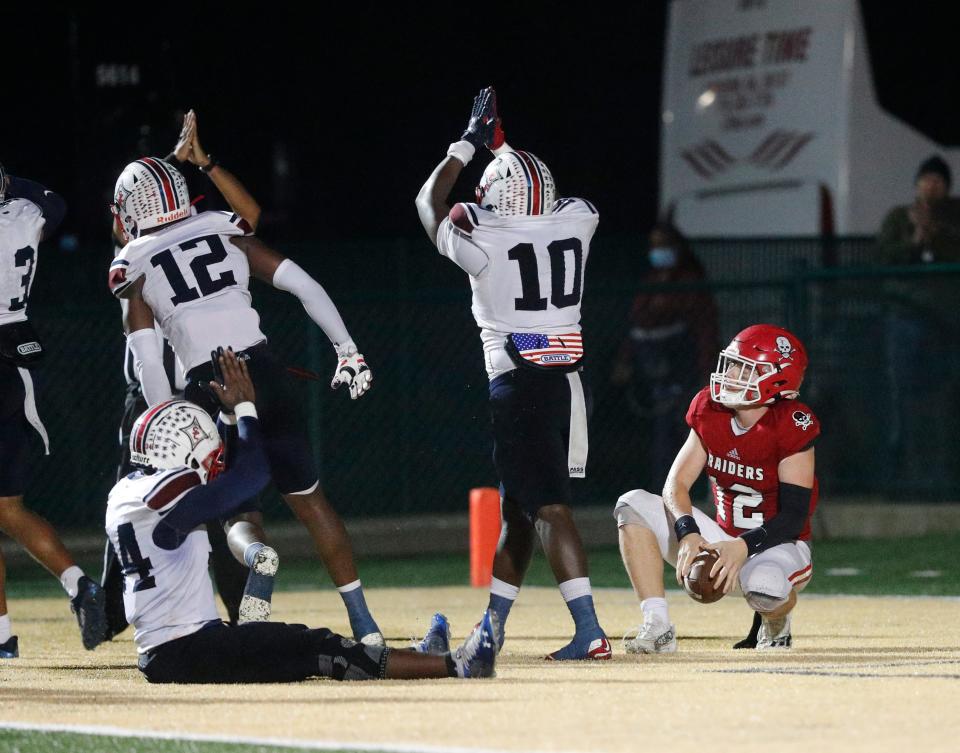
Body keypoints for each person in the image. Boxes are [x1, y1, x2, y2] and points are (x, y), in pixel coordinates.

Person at [106, 154, 383, 644]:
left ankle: (258, 556)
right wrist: (348, 350)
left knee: (236, 511)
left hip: (210, 385)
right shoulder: (220, 226)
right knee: (313, 502)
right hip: (265, 371)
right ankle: (365, 625)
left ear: (131, 210)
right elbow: (303, 284)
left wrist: (166, 418)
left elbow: (149, 362)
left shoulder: (134, 265)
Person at [108, 348, 498, 683]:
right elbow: (250, 475)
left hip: (176, 647)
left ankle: (426, 657)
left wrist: (228, 419)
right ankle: (455, 665)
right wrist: (245, 408)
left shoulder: (126, 494)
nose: (211, 463)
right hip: (189, 649)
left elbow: (228, 482)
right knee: (328, 649)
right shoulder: (170, 499)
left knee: (296, 643)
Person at [415, 87, 609, 661]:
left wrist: (467, 144)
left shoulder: (486, 238)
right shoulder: (578, 221)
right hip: (569, 379)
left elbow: (428, 203)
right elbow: (535, 194)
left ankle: (590, 629)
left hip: (518, 382)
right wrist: (503, 149)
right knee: (518, 509)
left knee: (547, 506)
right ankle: (493, 624)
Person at [102, 111, 260, 638]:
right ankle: (242, 611)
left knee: (140, 505)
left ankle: (122, 613)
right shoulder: (182, 242)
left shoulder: (133, 257)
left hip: (164, 404)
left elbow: (148, 356)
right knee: (227, 500)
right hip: (203, 389)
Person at [614, 324, 818, 653]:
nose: (731, 373)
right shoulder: (710, 409)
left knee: (764, 588)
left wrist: (743, 546)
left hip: (778, 546)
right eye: (732, 363)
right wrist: (688, 532)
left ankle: (776, 622)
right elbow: (676, 484)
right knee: (632, 504)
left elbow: (794, 516)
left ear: (777, 379)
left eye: (744, 367)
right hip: (721, 536)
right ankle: (657, 625)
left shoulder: (790, 423)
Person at [0, 163, 107, 658]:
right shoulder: (24, 215)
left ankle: (2, 638)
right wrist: (9, 183)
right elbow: (55, 203)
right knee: (6, 507)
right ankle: (78, 586)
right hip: (17, 357)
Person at [611, 221, 718, 489]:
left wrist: (706, 372)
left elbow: (705, 329)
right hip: (654, 368)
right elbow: (636, 325)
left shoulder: (690, 281)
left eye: (664, 246)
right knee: (663, 435)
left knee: (690, 429)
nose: (658, 252)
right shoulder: (649, 282)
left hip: (685, 367)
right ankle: (665, 491)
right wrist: (625, 360)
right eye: (654, 246)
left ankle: (704, 490)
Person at [876, 154, 960, 494]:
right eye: (927, 179)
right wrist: (914, 237)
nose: (932, 185)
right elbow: (883, 256)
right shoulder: (899, 217)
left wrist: (934, 233)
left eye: (939, 180)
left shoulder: (954, 217)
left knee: (945, 398)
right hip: (905, 318)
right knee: (903, 399)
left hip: (946, 321)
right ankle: (903, 477)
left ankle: (943, 475)